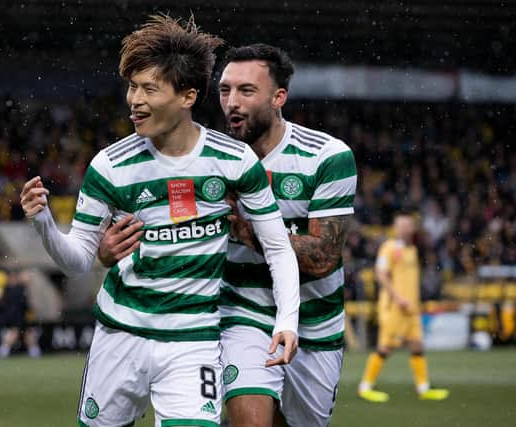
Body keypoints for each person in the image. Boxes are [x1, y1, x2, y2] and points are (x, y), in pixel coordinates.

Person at [20, 16, 300, 427]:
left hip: (193, 341)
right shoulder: (111, 166)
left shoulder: (233, 160)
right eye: (132, 86)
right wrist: (43, 222)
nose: (135, 99)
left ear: (187, 96)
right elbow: (78, 261)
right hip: (121, 336)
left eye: (149, 88)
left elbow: (277, 246)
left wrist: (287, 321)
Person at [100, 44, 357, 427]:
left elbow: (322, 257)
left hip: (315, 321)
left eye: (246, 91)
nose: (232, 102)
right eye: (225, 90)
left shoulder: (327, 157)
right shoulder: (206, 158)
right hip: (241, 312)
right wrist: (108, 250)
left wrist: (245, 227)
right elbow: (156, 232)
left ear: (278, 97)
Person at [358, 212, 449, 402]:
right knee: (385, 347)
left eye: (407, 225)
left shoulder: (414, 249)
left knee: (417, 345)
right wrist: (398, 298)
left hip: (412, 308)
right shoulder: (389, 247)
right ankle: (365, 386)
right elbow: (381, 274)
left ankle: (423, 388)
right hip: (395, 307)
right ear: (396, 227)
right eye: (400, 225)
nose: (404, 228)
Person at [0, 269, 42, 358]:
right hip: (16, 315)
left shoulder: (11, 289)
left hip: (20, 315)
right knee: (15, 332)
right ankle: (3, 351)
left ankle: (34, 351)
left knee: (27, 333)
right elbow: (22, 303)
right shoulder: (14, 289)